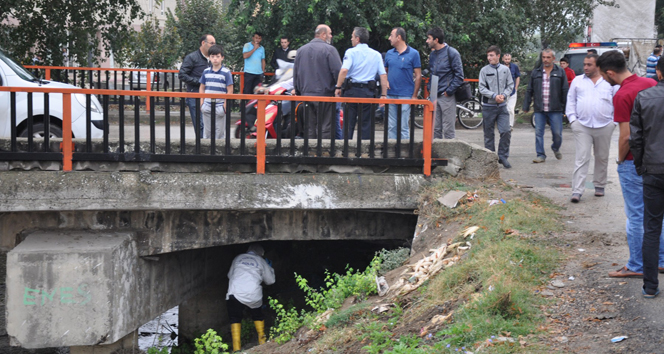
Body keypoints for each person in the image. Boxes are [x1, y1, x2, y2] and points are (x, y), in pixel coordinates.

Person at [596, 50, 659, 279]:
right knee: (656, 213)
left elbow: (626, 137)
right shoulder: (650, 82)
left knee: (636, 215)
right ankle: (660, 260)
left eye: (604, 75)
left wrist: (620, 160)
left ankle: (637, 264)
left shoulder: (623, 95)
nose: (604, 79)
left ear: (610, 72)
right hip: (657, 159)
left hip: (635, 162)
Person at [565, 53, 617, 203]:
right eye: (585, 64)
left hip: (605, 125)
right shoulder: (577, 81)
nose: (585, 67)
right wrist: (573, 120)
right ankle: (577, 190)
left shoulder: (609, 82)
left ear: (598, 66)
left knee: (602, 157)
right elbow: (571, 101)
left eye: (589, 65)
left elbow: (617, 102)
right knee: (582, 157)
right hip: (582, 126)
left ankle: (600, 185)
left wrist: (613, 122)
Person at [632, 57, 664, 298]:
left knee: (651, 228)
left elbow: (637, 138)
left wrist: (641, 166)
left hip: (653, 169)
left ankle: (650, 286)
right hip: (652, 167)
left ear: (659, 73)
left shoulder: (644, 97)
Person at [335, 27, 388, 140]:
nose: (351, 39)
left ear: (357, 39)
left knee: (348, 124)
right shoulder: (376, 54)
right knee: (366, 125)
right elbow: (383, 75)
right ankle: (365, 153)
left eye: (352, 37)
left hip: (352, 91)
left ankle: (345, 151)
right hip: (368, 92)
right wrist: (383, 95)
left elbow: (344, 70)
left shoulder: (351, 52)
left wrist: (338, 87)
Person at [293, 24, 342, 139]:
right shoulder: (330, 50)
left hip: (306, 95)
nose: (331, 36)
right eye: (330, 33)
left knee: (309, 127)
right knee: (325, 128)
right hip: (325, 95)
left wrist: (299, 92)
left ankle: (310, 153)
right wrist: (339, 88)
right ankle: (323, 154)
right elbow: (338, 72)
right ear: (323, 34)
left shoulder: (301, 50)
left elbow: (296, 73)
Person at [523, 48, 568, 163]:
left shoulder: (560, 72)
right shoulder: (536, 72)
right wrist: (526, 105)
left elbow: (564, 90)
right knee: (539, 133)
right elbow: (529, 90)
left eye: (548, 57)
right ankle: (540, 155)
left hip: (556, 108)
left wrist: (566, 108)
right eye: (543, 57)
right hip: (540, 108)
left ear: (553, 58)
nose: (545, 60)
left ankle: (555, 147)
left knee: (557, 133)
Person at [226, 244, 275, 351]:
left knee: (235, 318)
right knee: (257, 315)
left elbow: (230, 275)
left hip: (235, 293)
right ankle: (262, 342)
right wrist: (269, 268)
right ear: (261, 254)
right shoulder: (261, 261)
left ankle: (236, 349)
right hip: (253, 294)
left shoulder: (238, 258)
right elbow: (270, 281)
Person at [478, 45, 514, 169]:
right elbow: (482, 87)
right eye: (488, 55)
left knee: (506, 131)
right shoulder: (484, 70)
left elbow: (510, 85)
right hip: (488, 106)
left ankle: (503, 156)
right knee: (488, 135)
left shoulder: (505, 70)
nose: (489, 58)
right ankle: (490, 159)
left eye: (491, 55)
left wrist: (503, 95)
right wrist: (493, 95)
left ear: (498, 56)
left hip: (502, 107)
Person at [426, 27, 464, 139]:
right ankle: (436, 156)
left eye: (429, 38)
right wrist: (429, 88)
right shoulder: (433, 55)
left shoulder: (452, 53)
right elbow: (432, 73)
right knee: (435, 128)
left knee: (448, 129)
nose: (427, 41)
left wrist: (449, 91)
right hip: (434, 95)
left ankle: (449, 156)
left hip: (446, 95)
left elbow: (459, 76)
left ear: (436, 40)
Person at [384, 27, 421, 139]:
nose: (389, 38)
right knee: (391, 126)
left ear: (398, 37)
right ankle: (391, 152)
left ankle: (404, 153)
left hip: (406, 95)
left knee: (403, 126)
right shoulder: (389, 54)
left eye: (391, 35)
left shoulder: (414, 54)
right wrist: (385, 81)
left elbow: (418, 75)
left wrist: (414, 96)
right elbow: (384, 72)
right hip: (391, 94)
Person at [179, 34, 214, 136]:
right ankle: (201, 148)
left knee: (211, 125)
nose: (214, 46)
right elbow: (182, 75)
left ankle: (210, 146)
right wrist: (200, 82)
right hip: (195, 95)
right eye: (212, 43)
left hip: (210, 95)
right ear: (203, 43)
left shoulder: (213, 58)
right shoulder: (192, 57)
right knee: (200, 125)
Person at [198, 45, 233, 140]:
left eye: (217, 56)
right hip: (207, 104)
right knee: (207, 131)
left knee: (220, 132)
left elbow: (230, 90)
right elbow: (202, 87)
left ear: (222, 57)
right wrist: (202, 103)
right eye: (212, 56)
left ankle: (219, 152)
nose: (215, 59)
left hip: (220, 104)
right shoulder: (206, 72)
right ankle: (207, 152)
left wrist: (225, 105)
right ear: (209, 58)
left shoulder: (226, 72)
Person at [502, 53, 520, 129]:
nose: (507, 60)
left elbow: (517, 77)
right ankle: (504, 124)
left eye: (508, 59)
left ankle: (510, 125)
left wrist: (516, 87)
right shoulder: (500, 67)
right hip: (503, 92)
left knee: (510, 109)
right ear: (503, 59)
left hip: (512, 91)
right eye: (506, 59)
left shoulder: (514, 67)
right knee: (504, 109)